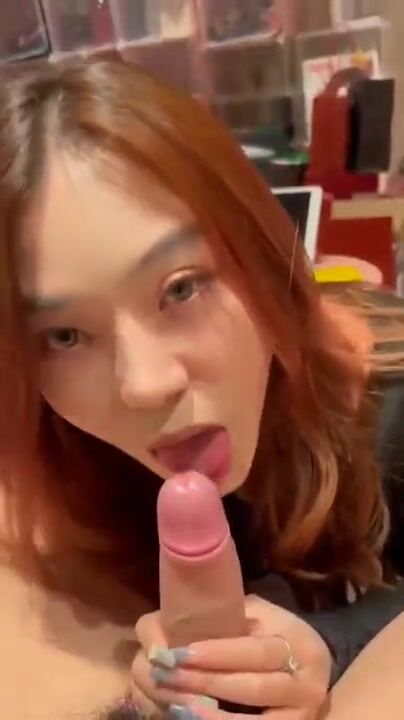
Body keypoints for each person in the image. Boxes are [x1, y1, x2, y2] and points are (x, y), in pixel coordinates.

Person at [0, 57, 403, 720]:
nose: (144, 386)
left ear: (263, 253)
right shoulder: (70, 462)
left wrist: (334, 651)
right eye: (65, 336)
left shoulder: (390, 417)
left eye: (182, 288)